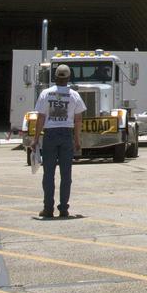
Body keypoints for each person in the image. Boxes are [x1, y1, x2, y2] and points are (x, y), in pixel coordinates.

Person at [33, 64, 86, 218]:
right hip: (66, 135)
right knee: (66, 175)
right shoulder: (74, 96)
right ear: (69, 78)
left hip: (50, 134)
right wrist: (77, 140)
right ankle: (63, 208)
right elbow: (78, 120)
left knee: (48, 174)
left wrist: (36, 139)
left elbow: (40, 118)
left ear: (55, 77)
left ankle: (48, 209)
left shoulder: (45, 93)